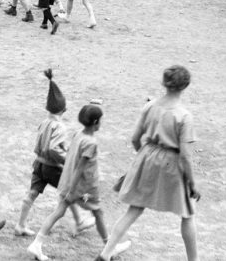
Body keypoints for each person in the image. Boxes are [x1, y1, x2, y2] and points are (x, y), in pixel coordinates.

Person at [97, 66, 200, 261]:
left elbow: (135, 138)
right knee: (188, 214)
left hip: (148, 156)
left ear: (164, 83)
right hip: (172, 163)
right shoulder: (184, 116)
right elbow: (186, 156)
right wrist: (192, 184)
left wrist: (144, 156)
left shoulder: (150, 106)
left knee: (134, 208)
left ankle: (105, 253)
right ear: (185, 86)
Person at [29, 103, 132, 261]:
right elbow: (80, 168)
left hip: (67, 182)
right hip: (82, 188)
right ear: (96, 122)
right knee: (98, 212)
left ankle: (37, 243)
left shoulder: (78, 134)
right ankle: (109, 247)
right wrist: (72, 190)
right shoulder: (91, 143)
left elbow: (71, 157)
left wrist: (68, 186)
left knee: (59, 211)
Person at [15, 70, 95, 236]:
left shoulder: (44, 122)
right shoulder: (59, 126)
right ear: (63, 110)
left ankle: (20, 225)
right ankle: (79, 222)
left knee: (32, 194)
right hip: (52, 167)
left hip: (38, 164)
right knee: (68, 192)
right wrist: (67, 160)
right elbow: (53, 148)